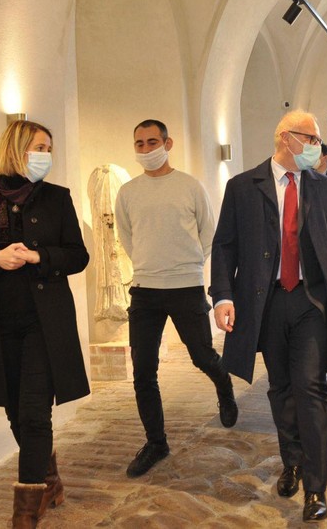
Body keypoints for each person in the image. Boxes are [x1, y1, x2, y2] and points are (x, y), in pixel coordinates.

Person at [210, 110, 327, 522]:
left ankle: (316, 486)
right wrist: (222, 296)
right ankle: (291, 460)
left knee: (311, 387)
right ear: (285, 137)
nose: (317, 147)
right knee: (280, 387)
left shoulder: (326, 188)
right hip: (267, 302)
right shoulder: (243, 187)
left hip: (312, 301)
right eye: (310, 138)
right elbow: (224, 246)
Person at [0, 120, 90, 528]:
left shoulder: (57, 198)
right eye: (39, 147)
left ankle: (25, 510)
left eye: (49, 149)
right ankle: (49, 478)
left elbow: (78, 256)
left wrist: (39, 256)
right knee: (13, 409)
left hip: (43, 324)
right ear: (16, 148)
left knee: (33, 412)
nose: (46, 156)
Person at [114, 119, 237, 478]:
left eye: (152, 141)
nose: (146, 149)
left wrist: (187, 264)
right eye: (139, 143)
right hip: (145, 290)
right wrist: (150, 265)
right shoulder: (128, 192)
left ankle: (224, 385)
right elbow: (127, 236)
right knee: (143, 371)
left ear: (168, 144)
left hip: (185, 287)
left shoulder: (189, 186)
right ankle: (156, 443)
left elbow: (209, 233)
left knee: (202, 356)